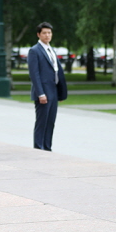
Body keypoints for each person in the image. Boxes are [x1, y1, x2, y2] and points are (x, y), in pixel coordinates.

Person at [28, 22, 68, 151]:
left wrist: (60, 93)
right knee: (42, 122)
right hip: (43, 93)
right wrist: (40, 93)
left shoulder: (51, 49)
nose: (47, 35)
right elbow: (34, 74)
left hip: (53, 91)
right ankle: (38, 148)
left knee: (50, 122)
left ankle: (47, 147)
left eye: (49, 33)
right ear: (38, 34)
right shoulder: (34, 50)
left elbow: (57, 71)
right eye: (44, 33)